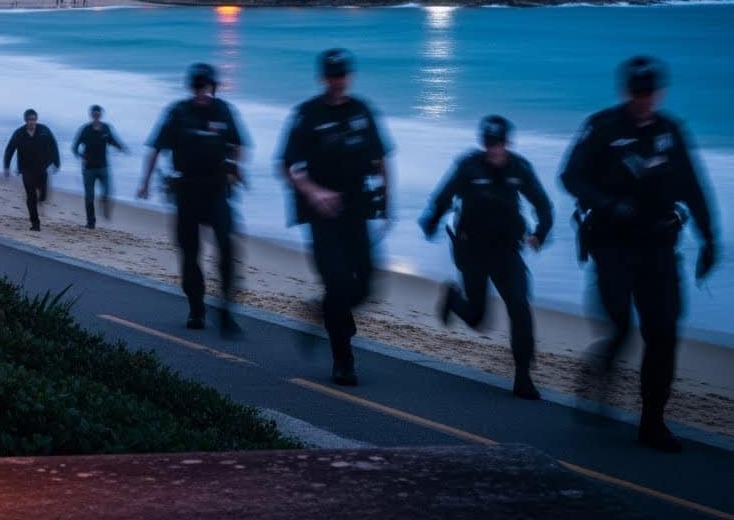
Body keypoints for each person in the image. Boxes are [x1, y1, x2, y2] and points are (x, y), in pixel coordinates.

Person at [561, 56, 717, 453]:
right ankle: (602, 365)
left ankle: (652, 422)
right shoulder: (602, 127)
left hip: (659, 248)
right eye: (637, 91)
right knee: (619, 326)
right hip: (612, 245)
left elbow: (693, 187)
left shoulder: (671, 131)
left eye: (650, 92)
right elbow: (570, 176)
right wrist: (607, 204)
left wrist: (709, 239)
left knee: (663, 335)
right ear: (626, 91)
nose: (644, 99)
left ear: (659, 92)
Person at [418, 115, 552, 400]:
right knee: (478, 319)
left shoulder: (519, 167)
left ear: (507, 142)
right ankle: (454, 299)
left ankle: (523, 377)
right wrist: (430, 222)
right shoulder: (468, 167)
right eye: (491, 144)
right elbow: (443, 197)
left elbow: (542, 203)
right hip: (473, 250)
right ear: (484, 143)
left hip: (507, 251)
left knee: (519, 306)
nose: (495, 150)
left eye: (500, 143)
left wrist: (540, 232)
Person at [279, 49, 391, 385]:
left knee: (367, 286)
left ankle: (325, 309)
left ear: (348, 76)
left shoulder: (362, 111)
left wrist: (388, 201)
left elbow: (380, 158)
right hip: (322, 214)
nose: (337, 81)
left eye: (342, 75)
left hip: (357, 209)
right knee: (338, 283)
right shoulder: (307, 115)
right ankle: (343, 362)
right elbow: (287, 166)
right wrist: (313, 192)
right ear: (323, 77)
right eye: (332, 75)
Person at [139, 63, 248, 334]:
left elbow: (239, 144)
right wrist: (145, 182)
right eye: (198, 87)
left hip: (216, 190)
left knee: (228, 246)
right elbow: (155, 148)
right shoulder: (177, 113)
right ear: (191, 88)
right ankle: (196, 308)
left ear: (213, 87)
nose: (202, 93)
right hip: (186, 191)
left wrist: (236, 167)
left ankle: (225, 307)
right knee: (189, 255)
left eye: (207, 88)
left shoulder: (224, 110)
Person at [4, 109, 60, 231]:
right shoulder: (19, 133)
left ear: (36, 120)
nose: (31, 122)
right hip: (26, 169)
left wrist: (56, 162)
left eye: (33, 119)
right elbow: (10, 149)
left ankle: (42, 198)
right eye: (29, 120)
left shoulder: (44, 130)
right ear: (26, 120)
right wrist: (6, 166)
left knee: (43, 194)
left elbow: (53, 145)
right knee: (31, 196)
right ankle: (35, 223)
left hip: (42, 167)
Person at [73, 105, 127, 229]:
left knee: (107, 192)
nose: (96, 115)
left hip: (103, 167)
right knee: (89, 196)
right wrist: (81, 156)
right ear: (91, 115)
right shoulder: (85, 129)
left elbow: (113, 141)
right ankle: (90, 222)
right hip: (88, 169)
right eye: (94, 113)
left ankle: (104, 206)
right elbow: (75, 147)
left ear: (101, 115)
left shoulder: (106, 128)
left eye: (98, 113)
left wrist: (122, 147)